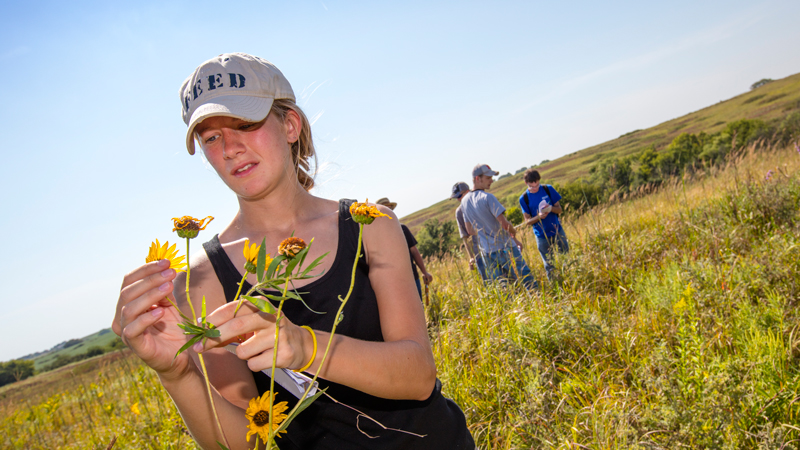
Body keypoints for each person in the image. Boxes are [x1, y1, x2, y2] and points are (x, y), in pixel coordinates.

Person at [112, 53, 474, 450]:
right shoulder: (202, 279)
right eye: (211, 138)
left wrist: (303, 346)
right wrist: (177, 375)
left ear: (289, 124)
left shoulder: (371, 225)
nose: (230, 147)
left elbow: (418, 376)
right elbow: (247, 443)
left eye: (245, 124)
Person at [460, 164, 536, 290]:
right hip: (505, 247)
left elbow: (469, 230)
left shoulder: (464, 202)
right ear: (478, 179)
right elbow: (505, 225)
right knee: (526, 280)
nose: (491, 180)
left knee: (504, 288)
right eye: (488, 177)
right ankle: (538, 302)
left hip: (486, 252)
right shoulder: (488, 197)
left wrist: (485, 233)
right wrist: (514, 232)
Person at [376, 197, 433, 301]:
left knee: (418, 307)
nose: (388, 212)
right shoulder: (375, 235)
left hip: (411, 276)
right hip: (391, 282)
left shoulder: (402, 228)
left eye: (389, 209)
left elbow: (414, 251)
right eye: (384, 210)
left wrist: (424, 272)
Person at [518, 168, 569, 282]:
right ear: (526, 183)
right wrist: (538, 217)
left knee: (565, 257)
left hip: (557, 230)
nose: (535, 188)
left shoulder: (548, 189)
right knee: (549, 265)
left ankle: (569, 278)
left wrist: (550, 209)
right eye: (532, 186)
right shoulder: (524, 198)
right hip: (541, 236)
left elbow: (559, 209)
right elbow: (527, 221)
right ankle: (555, 284)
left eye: (537, 185)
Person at [450, 182, 486, 281]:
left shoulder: (480, 200)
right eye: (456, 198)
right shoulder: (459, 212)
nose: (458, 199)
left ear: (467, 191)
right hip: (478, 253)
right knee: (488, 282)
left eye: (460, 196)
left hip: (495, 247)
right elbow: (465, 237)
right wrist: (471, 257)